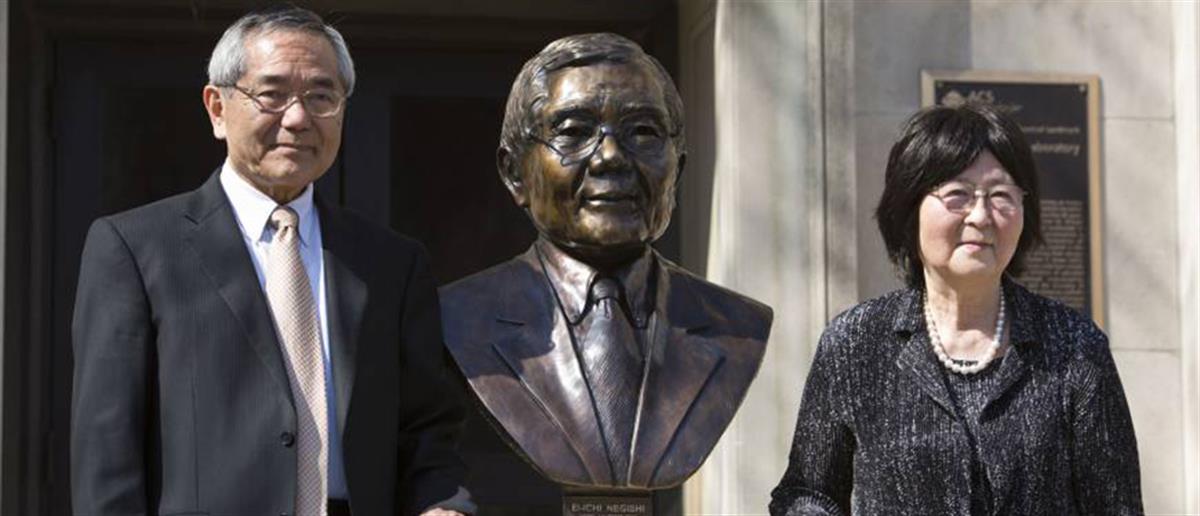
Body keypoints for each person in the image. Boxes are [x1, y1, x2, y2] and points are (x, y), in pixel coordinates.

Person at [70, 7, 471, 516]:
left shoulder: (390, 262)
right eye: (272, 94)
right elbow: (107, 453)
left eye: (321, 96)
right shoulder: (135, 249)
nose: (298, 118)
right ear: (218, 109)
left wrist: (442, 505)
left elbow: (427, 430)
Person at [769, 103, 1142, 515]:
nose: (981, 216)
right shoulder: (855, 343)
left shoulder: (1075, 347)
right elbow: (808, 492)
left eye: (1001, 195)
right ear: (910, 207)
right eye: (957, 195)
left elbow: (1116, 506)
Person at [439, 33, 773, 489]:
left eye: (643, 132)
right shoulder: (456, 317)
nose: (611, 157)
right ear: (515, 172)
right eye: (574, 132)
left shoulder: (738, 326)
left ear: (678, 170)